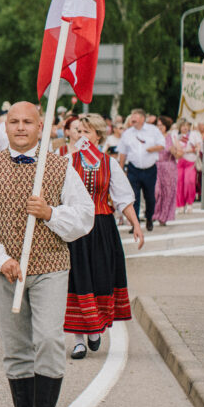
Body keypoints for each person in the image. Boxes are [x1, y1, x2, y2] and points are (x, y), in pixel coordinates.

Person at [0, 101, 94, 407]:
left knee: (49, 339)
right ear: (5, 127)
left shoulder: (59, 167)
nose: (20, 127)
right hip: (6, 270)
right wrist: (0, 258)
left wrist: (50, 212)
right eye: (14, 122)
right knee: (16, 344)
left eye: (27, 122)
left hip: (50, 265)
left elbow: (85, 215)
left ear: (41, 127)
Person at [62, 114, 143, 360]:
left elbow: (123, 198)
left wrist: (136, 225)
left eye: (86, 131)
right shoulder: (67, 161)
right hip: (76, 229)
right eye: (78, 131)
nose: (81, 136)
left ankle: (95, 328)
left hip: (101, 228)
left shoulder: (109, 163)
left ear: (98, 135)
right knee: (77, 280)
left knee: (100, 278)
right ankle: (78, 340)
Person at [117, 108, 164, 232]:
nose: (132, 118)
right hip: (134, 169)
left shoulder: (153, 130)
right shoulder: (127, 133)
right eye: (132, 116)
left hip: (149, 169)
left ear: (142, 118)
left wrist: (151, 149)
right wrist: (121, 170)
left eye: (135, 116)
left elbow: (162, 145)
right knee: (134, 197)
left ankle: (149, 218)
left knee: (149, 197)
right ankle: (135, 224)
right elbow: (122, 152)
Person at [152, 117, 180, 226]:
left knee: (167, 194)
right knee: (156, 191)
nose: (159, 127)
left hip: (169, 168)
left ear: (166, 126)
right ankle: (154, 214)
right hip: (155, 166)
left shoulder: (172, 137)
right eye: (158, 125)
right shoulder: (153, 137)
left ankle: (163, 217)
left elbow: (179, 154)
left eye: (161, 125)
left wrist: (174, 151)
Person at [175, 118, 202, 212]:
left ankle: (189, 203)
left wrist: (189, 150)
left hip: (190, 161)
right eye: (183, 126)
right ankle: (180, 205)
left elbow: (198, 147)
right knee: (179, 183)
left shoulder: (194, 134)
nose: (185, 128)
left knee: (189, 181)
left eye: (187, 125)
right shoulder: (176, 135)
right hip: (179, 161)